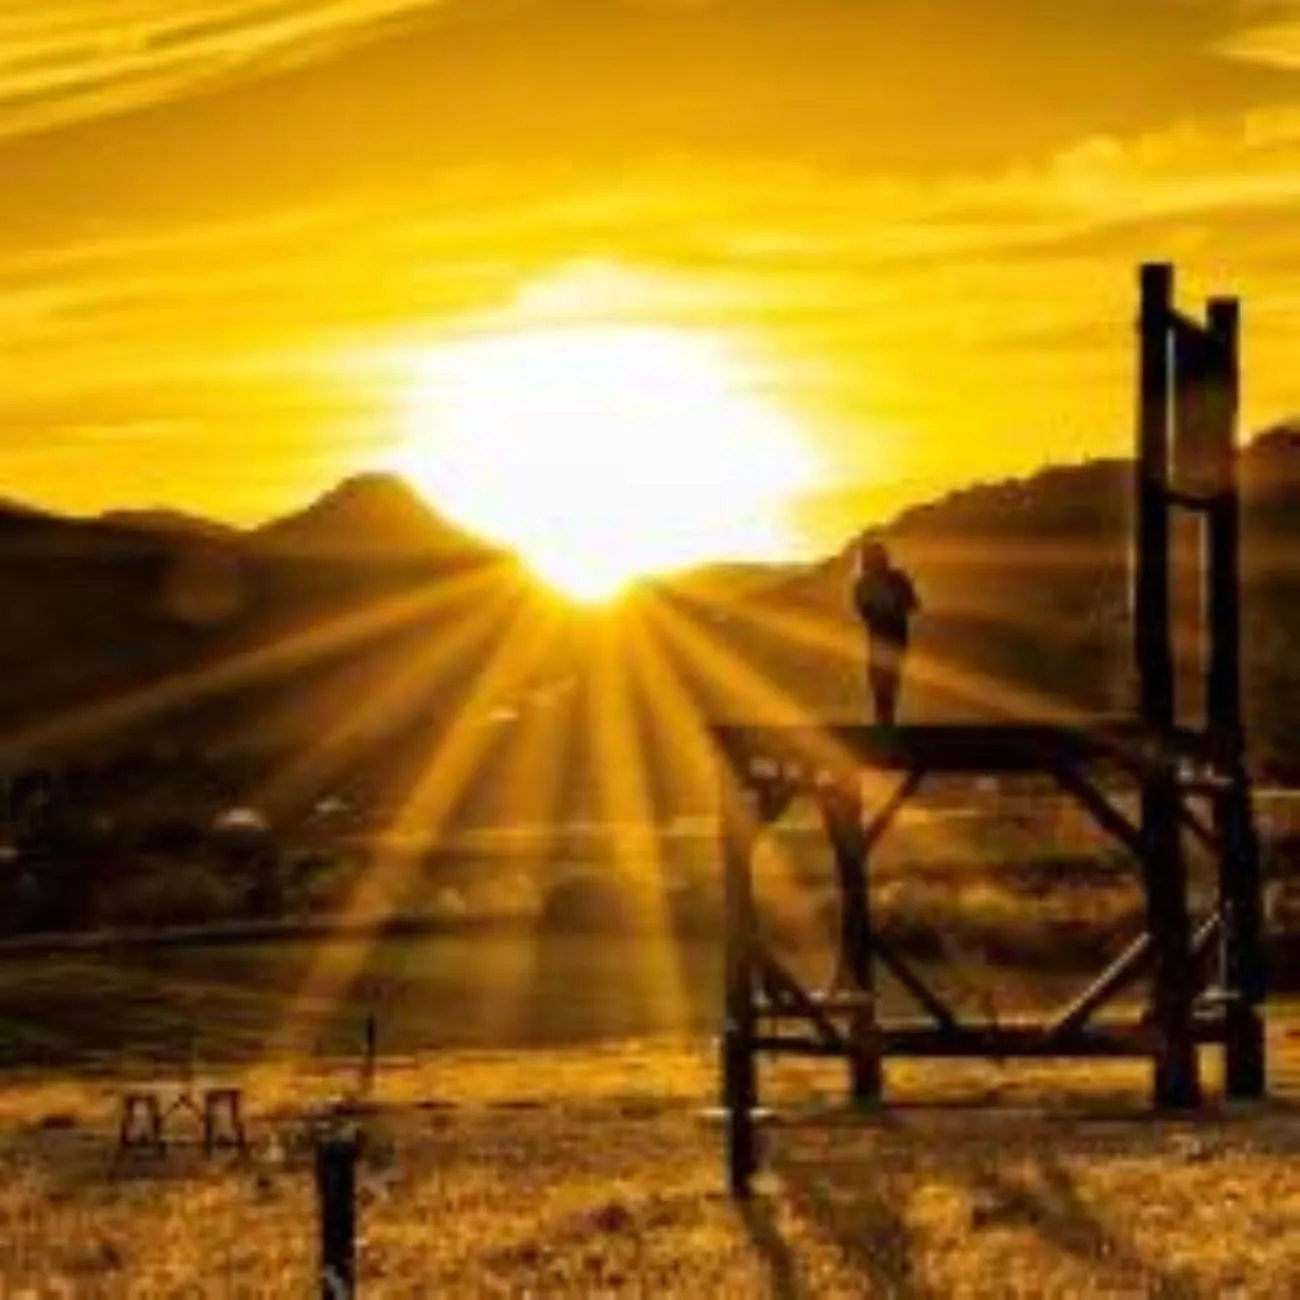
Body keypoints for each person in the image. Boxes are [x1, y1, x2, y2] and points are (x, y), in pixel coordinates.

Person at [852, 535, 919, 726]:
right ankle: (884, 721)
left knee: (885, 681)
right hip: (888, 636)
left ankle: (884, 721)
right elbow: (863, 610)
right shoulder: (869, 582)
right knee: (883, 681)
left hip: (888, 636)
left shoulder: (880, 581)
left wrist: (889, 607)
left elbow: (911, 604)